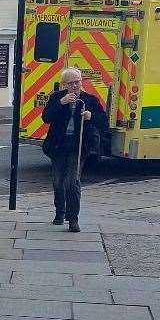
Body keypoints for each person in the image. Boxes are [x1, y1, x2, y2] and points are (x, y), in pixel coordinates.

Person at [41, 67, 107, 232]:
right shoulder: (57, 97)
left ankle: (73, 219)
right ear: (64, 84)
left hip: (78, 146)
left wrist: (90, 116)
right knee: (58, 181)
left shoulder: (89, 100)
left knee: (72, 182)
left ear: (81, 82)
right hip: (58, 146)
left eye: (77, 82)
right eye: (70, 83)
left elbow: (103, 122)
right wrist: (61, 103)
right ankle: (60, 212)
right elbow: (46, 117)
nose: (74, 86)